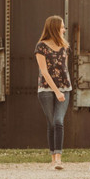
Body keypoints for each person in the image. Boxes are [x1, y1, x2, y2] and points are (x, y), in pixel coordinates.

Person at [35, 15, 72, 169]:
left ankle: (58, 159)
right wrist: (56, 91)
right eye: (62, 27)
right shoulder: (41, 46)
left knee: (58, 121)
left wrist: (63, 89)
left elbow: (65, 69)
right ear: (55, 28)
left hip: (65, 89)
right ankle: (53, 158)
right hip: (46, 89)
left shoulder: (65, 46)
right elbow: (44, 71)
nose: (64, 29)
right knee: (51, 123)